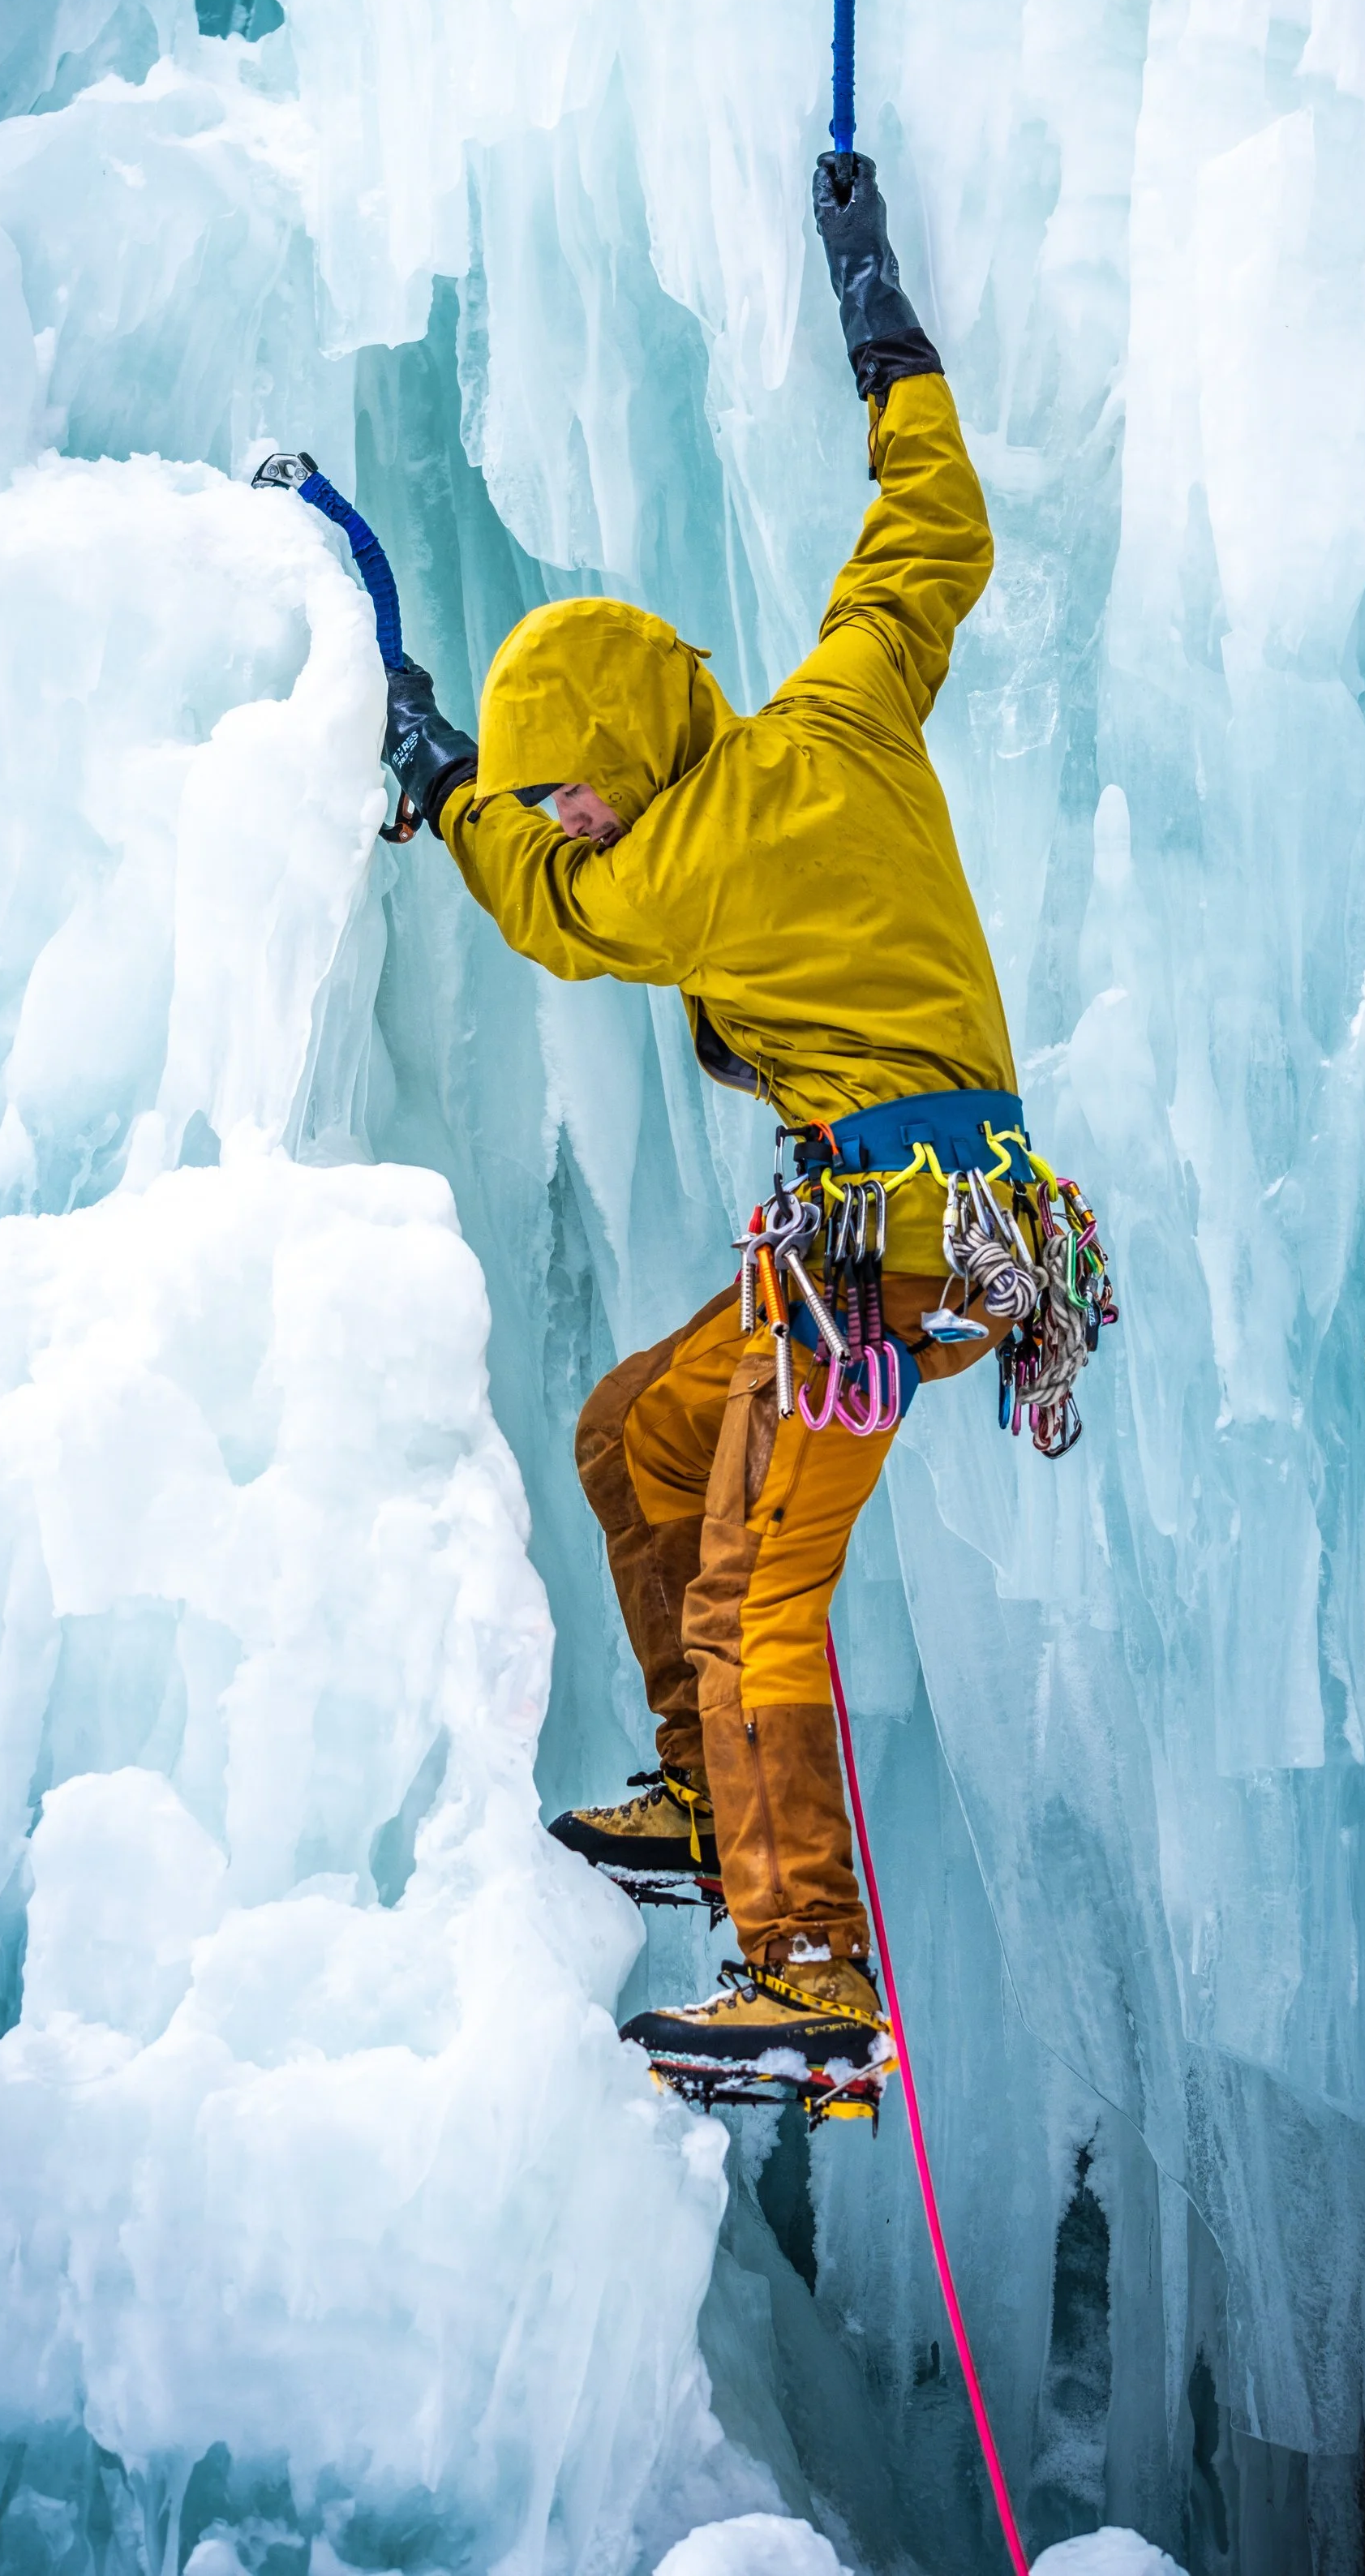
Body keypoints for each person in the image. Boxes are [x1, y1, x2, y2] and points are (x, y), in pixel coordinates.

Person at [354, 158, 1022, 2093]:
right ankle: (696, 1802)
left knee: (754, 1586)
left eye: (578, 786)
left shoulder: (692, 860)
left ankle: (809, 1970)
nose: (571, 817)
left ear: (632, 764)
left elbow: (557, 915)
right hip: (912, 1229)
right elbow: (930, 540)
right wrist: (880, 323)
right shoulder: (839, 713)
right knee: (633, 1435)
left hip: (890, 1247)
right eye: (557, 795)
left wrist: (444, 784)